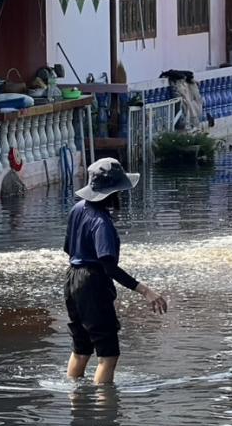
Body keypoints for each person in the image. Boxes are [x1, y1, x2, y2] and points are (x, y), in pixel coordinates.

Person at [64, 158, 168, 384]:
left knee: (81, 349)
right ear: (113, 192)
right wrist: (145, 291)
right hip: (92, 284)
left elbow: (67, 249)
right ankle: (104, 405)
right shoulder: (102, 222)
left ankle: (75, 401)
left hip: (72, 280)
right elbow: (108, 267)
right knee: (108, 355)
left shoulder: (77, 209)